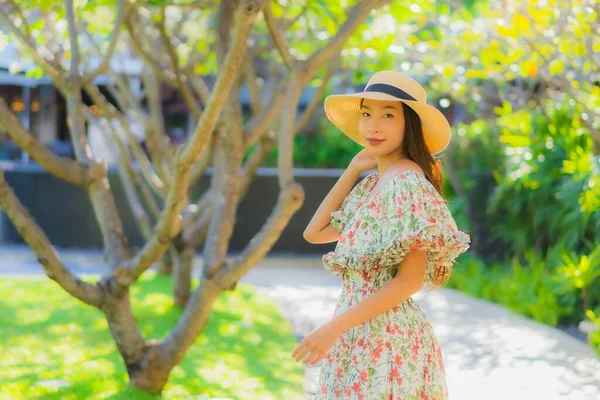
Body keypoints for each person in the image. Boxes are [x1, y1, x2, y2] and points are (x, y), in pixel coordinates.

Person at [294, 70, 471, 399]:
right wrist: (352, 170)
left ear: (410, 124)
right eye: (366, 114)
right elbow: (314, 232)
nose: (373, 126)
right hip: (356, 336)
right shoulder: (372, 185)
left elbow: (409, 281)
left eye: (388, 115)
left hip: (386, 341)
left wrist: (332, 329)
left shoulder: (407, 183)